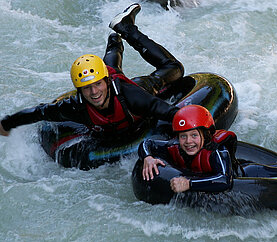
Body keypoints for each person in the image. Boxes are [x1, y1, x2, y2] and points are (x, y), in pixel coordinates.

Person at [0, 4, 183, 142]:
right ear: (79, 91)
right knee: (111, 65)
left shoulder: (134, 97)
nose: (94, 92)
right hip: (110, 82)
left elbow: (173, 114)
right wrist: (7, 124)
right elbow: (41, 112)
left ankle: (126, 29)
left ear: (107, 82)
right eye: (86, 88)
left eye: (97, 84)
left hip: (138, 88)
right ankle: (114, 37)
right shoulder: (75, 106)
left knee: (174, 68)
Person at [138, 92, 277, 193]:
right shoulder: (175, 147)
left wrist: (189, 183)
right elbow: (148, 144)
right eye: (183, 136)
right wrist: (147, 157)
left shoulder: (216, 153)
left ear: (206, 135)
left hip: (253, 176)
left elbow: (224, 180)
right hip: (248, 169)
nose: (188, 142)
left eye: (194, 135)